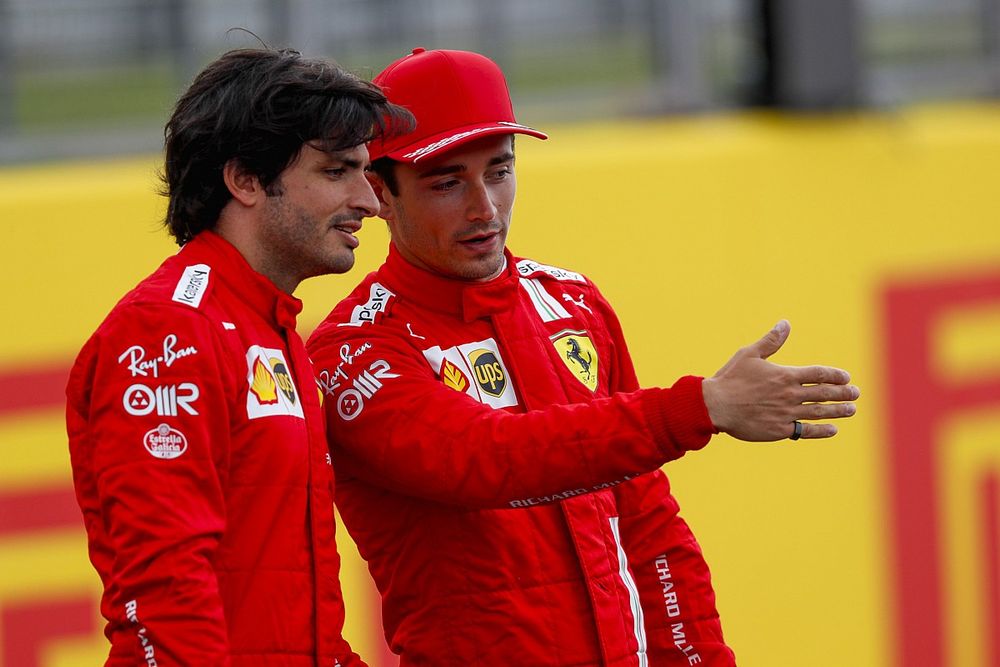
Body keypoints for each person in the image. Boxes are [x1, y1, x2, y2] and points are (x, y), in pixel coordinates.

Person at [306, 48, 859, 666]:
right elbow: (486, 458)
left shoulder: (574, 302)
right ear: (379, 192)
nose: (483, 208)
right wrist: (698, 407)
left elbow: (649, 526)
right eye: (446, 182)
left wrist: (698, 657)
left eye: (498, 170)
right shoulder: (351, 351)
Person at [66, 47, 411, 666]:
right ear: (245, 179)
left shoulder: (268, 326)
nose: (370, 200)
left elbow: (291, 618)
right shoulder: (168, 332)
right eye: (337, 171)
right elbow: (166, 589)